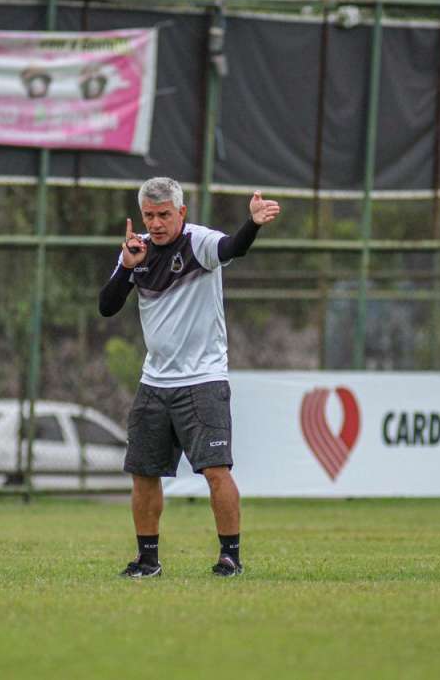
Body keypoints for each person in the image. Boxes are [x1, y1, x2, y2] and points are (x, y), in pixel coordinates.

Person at [98, 177, 280, 578]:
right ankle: (148, 559)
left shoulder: (199, 243)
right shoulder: (136, 250)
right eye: (150, 215)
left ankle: (230, 556)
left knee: (216, 470)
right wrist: (126, 269)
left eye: (164, 214)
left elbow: (234, 247)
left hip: (203, 380)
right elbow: (107, 307)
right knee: (144, 474)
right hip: (154, 382)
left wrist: (251, 224)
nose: (157, 223)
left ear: (181, 212)